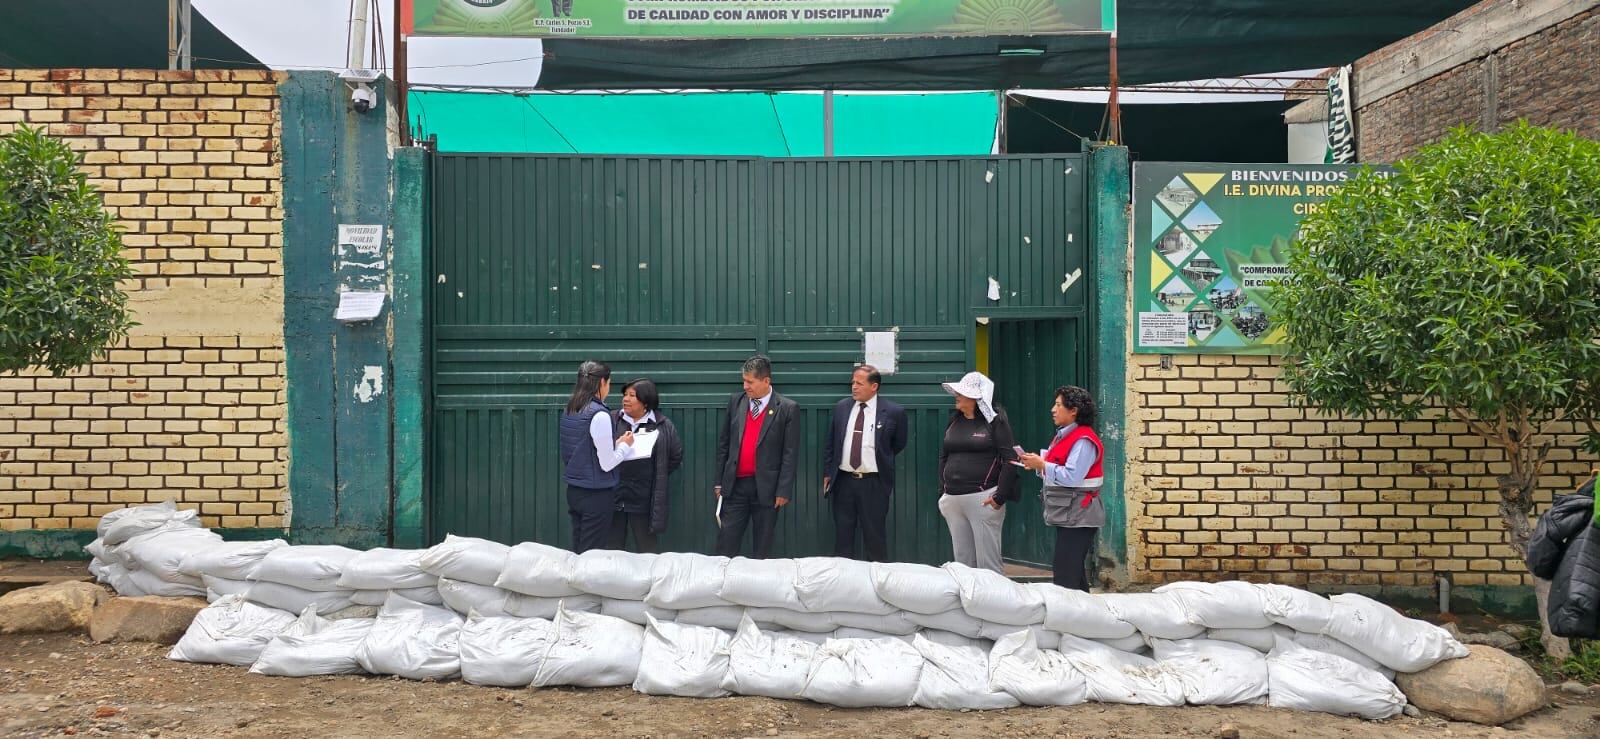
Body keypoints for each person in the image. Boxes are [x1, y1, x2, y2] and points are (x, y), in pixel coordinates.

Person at [713, 355, 801, 559]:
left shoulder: (787, 408)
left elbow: (790, 454)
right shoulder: (736, 402)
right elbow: (724, 445)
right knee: (726, 543)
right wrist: (719, 482)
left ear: (766, 381)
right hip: (735, 487)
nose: (745, 386)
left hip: (768, 490)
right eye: (744, 381)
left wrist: (783, 490)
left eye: (750, 382)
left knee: (762, 547)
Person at [1019, 385, 1105, 591]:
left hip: (1080, 514)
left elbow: (1072, 476)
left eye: (1058, 405)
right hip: (1069, 513)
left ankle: (1070, 619)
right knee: (1073, 573)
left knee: (1066, 574)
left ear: (1073, 410)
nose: (1053, 409)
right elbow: (1057, 466)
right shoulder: (1063, 435)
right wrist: (1038, 465)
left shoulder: (1083, 440)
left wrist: (1042, 465)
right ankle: (1086, 619)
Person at [822, 365, 908, 561]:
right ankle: (843, 583)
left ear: (874, 386)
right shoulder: (842, 407)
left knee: (874, 537)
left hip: (874, 483)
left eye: (859, 383)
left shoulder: (894, 412)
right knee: (843, 537)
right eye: (853, 382)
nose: (854, 387)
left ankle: (878, 584)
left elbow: (898, 444)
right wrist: (828, 473)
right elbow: (831, 443)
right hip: (843, 482)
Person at [936, 371, 1019, 574]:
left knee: (988, 565)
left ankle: (994, 604)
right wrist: (943, 493)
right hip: (953, 501)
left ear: (977, 398)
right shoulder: (954, 421)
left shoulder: (996, 423)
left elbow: (1010, 460)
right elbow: (944, 457)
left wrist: (999, 497)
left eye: (962, 392)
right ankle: (968, 603)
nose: (957, 395)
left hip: (983, 500)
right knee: (963, 564)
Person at [557, 360, 631, 553]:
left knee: (579, 550)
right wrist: (624, 446)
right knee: (591, 554)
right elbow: (607, 464)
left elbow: (584, 448)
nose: (609, 388)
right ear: (601, 383)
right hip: (596, 494)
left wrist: (614, 445)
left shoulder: (571, 409)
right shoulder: (599, 414)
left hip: (575, 490)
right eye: (609, 383)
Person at [610, 379, 684, 553]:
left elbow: (675, 455)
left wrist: (656, 472)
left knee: (647, 549)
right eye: (625, 395)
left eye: (632, 396)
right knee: (612, 548)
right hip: (614, 495)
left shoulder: (662, 425)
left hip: (644, 498)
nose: (625, 399)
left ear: (645, 401)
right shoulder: (612, 419)